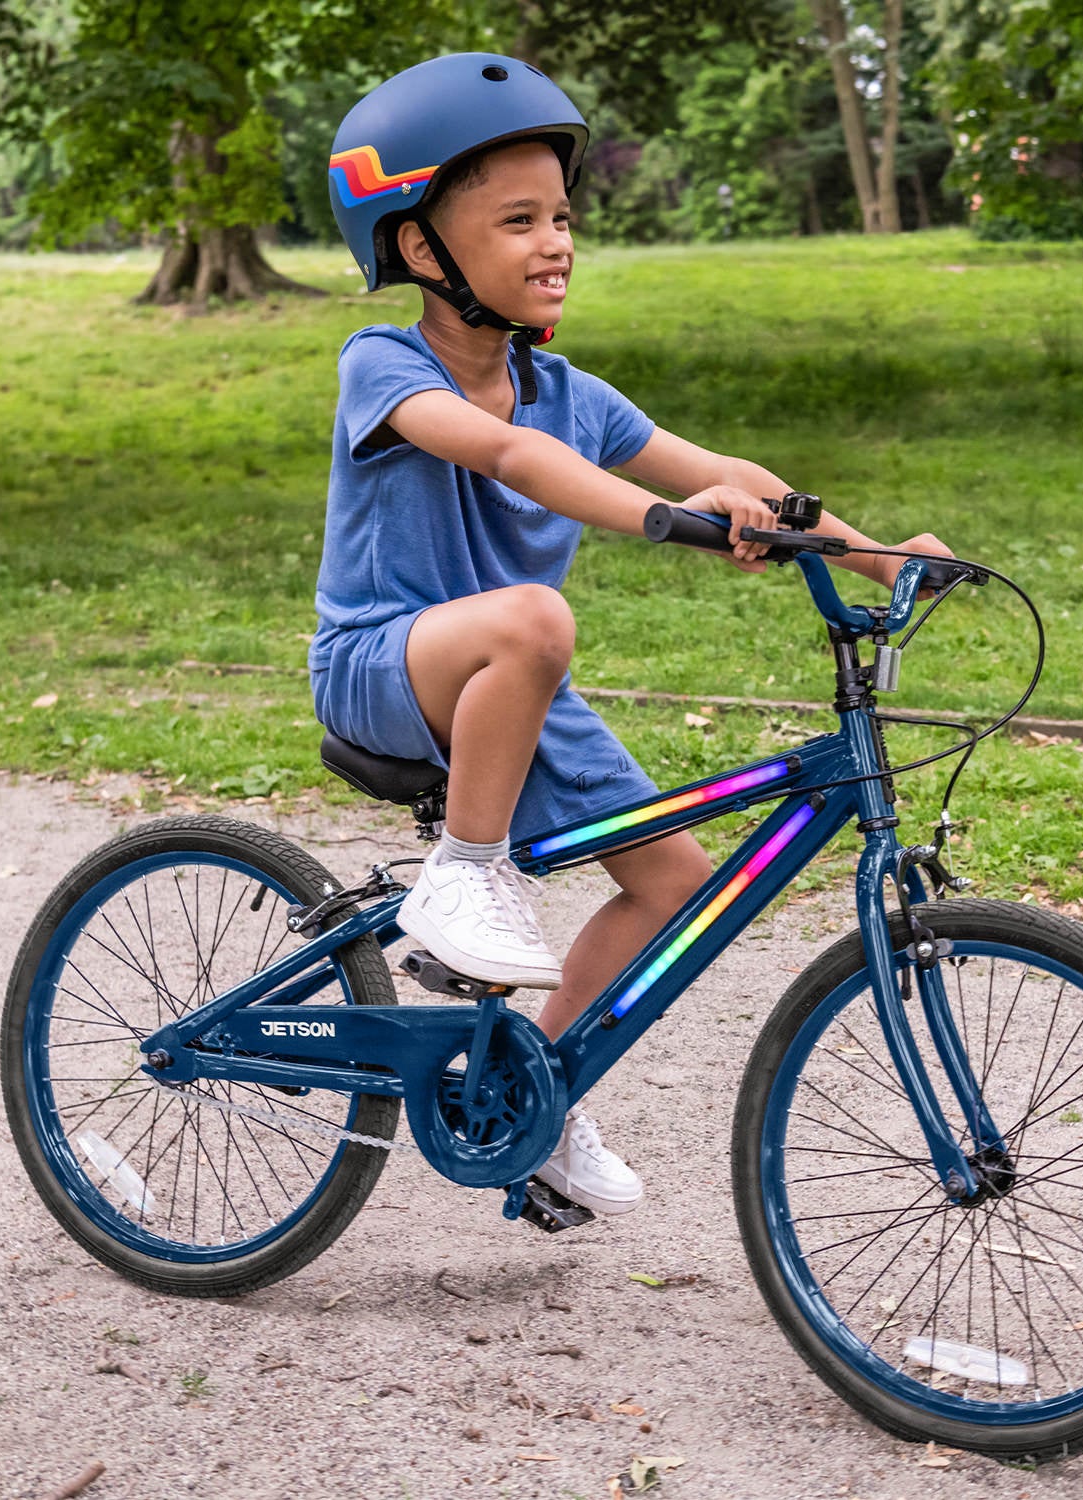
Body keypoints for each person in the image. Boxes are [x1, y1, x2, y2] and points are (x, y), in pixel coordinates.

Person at [313, 53, 951, 1217]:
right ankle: (463, 876)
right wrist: (665, 523)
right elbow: (510, 456)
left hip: (519, 683)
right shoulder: (385, 365)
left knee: (675, 879)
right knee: (536, 616)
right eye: (517, 220)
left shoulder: (571, 392)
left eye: (561, 215)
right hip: (385, 667)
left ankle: (532, 1096)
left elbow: (720, 471)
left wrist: (878, 556)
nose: (555, 241)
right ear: (418, 248)